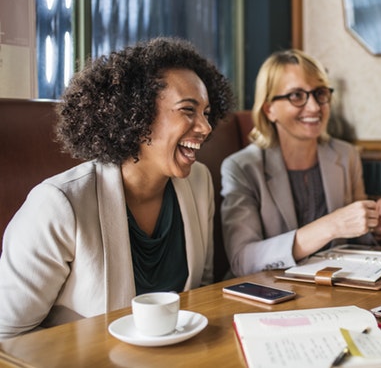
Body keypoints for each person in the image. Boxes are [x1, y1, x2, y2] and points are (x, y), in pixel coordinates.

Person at [0, 37, 234, 339]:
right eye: (189, 110)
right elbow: (7, 336)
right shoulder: (58, 205)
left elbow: (200, 291)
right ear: (136, 114)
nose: (205, 127)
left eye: (206, 112)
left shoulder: (198, 181)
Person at [220, 49, 381, 277]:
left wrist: (375, 229)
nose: (315, 107)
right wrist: (330, 226)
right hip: (270, 295)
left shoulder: (346, 156)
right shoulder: (241, 167)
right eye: (297, 95)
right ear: (270, 110)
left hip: (335, 288)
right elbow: (242, 260)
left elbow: (355, 242)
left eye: (320, 93)